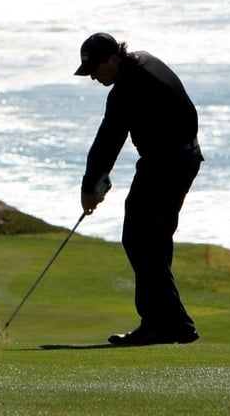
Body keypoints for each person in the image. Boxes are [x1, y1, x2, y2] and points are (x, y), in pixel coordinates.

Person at [73, 32, 204, 347]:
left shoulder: (127, 88)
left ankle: (166, 324)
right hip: (181, 158)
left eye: (95, 69)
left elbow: (108, 142)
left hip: (167, 163)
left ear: (113, 59)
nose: (93, 77)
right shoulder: (144, 61)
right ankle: (168, 324)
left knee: (138, 238)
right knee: (154, 241)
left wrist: (90, 188)